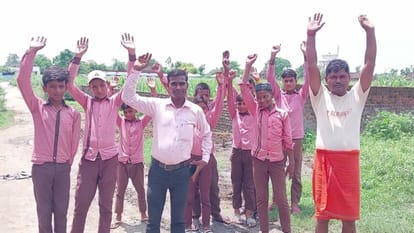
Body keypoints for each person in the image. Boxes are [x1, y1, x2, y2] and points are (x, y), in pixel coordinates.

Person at [122, 54, 212, 233]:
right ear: (169, 85)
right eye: (174, 83)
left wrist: (205, 158)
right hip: (158, 172)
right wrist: (137, 69)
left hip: (181, 172)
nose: (178, 87)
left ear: (187, 85)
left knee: (178, 222)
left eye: (181, 83)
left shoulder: (195, 111)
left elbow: (207, 134)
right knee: (153, 221)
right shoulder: (157, 106)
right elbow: (128, 97)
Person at [306, 13, 376, 233]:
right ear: (327, 80)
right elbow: (311, 67)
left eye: (342, 76)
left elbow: (369, 63)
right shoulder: (320, 97)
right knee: (322, 217)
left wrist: (370, 32)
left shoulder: (357, 95)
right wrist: (310, 36)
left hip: (348, 162)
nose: (338, 80)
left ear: (349, 78)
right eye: (333, 77)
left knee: (349, 219)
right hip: (324, 160)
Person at [68, 34, 135, 233]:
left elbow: (130, 82)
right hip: (89, 159)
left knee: (106, 207)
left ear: (107, 85)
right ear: (90, 88)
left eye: (101, 85)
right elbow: (70, 84)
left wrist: (131, 54)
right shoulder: (86, 102)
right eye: (94, 86)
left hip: (109, 159)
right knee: (81, 205)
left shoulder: (115, 101)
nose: (98, 89)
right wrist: (77, 57)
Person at [17, 36, 81, 233]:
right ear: (45, 88)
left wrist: (67, 162)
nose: (57, 90)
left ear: (65, 88)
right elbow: (22, 81)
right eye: (52, 86)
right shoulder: (38, 107)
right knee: (44, 212)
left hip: (62, 168)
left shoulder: (73, 113)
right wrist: (32, 52)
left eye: (61, 86)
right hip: (41, 168)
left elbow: (74, 142)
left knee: (61, 211)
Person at [240, 53, 294, 233]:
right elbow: (242, 88)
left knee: (281, 199)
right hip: (259, 161)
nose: (261, 100)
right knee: (261, 200)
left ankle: (287, 230)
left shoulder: (282, 114)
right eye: (258, 97)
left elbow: (288, 140)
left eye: (265, 97)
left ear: (272, 96)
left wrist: (292, 162)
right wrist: (247, 67)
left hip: (278, 162)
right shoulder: (256, 111)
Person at [266, 42, 310, 214]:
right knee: (278, 171)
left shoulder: (301, 96)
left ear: (295, 81)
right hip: (279, 139)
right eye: (286, 80)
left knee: (296, 172)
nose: (289, 83)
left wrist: (306, 56)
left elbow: (309, 78)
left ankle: (294, 203)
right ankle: (276, 200)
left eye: (292, 80)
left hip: (296, 139)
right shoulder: (278, 96)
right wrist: (272, 57)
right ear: (282, 82)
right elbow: (270, 80)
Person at [111, 77, 157, 229]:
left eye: (131, 111)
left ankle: (143, 214)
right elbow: (111, 108)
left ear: (136, 111)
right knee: (120, 191)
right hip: (122, 163)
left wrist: (152, 90)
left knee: (140, 190)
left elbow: (152, 109)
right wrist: (112, 89)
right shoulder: (121, 122)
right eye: (126, 112)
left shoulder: (141, 123)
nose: (128, 114)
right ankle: (118, 216)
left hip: (137, 163)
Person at [184, 70, 225, 233]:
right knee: (189, 194)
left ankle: (206, 225)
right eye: (198, 108)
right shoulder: (188, 119)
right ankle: (189, 223)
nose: (201, 111)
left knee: (206, 194)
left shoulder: (210, 119)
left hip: (206, 160)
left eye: (204, 108)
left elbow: (220, 103)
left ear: (208, 110)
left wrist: (222, 86)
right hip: (191, 160)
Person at [226, 67, 257, 227]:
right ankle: (237, 211)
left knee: (249, 184)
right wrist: (229, 80)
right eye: (239, 103)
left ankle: (250, 213)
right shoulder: (234, 114)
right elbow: (230, 99)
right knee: (236, 182)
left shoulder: (254, 113)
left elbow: (251, 99)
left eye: (243, 102)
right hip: (236, 153)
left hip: (250, 153)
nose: (241, 105)